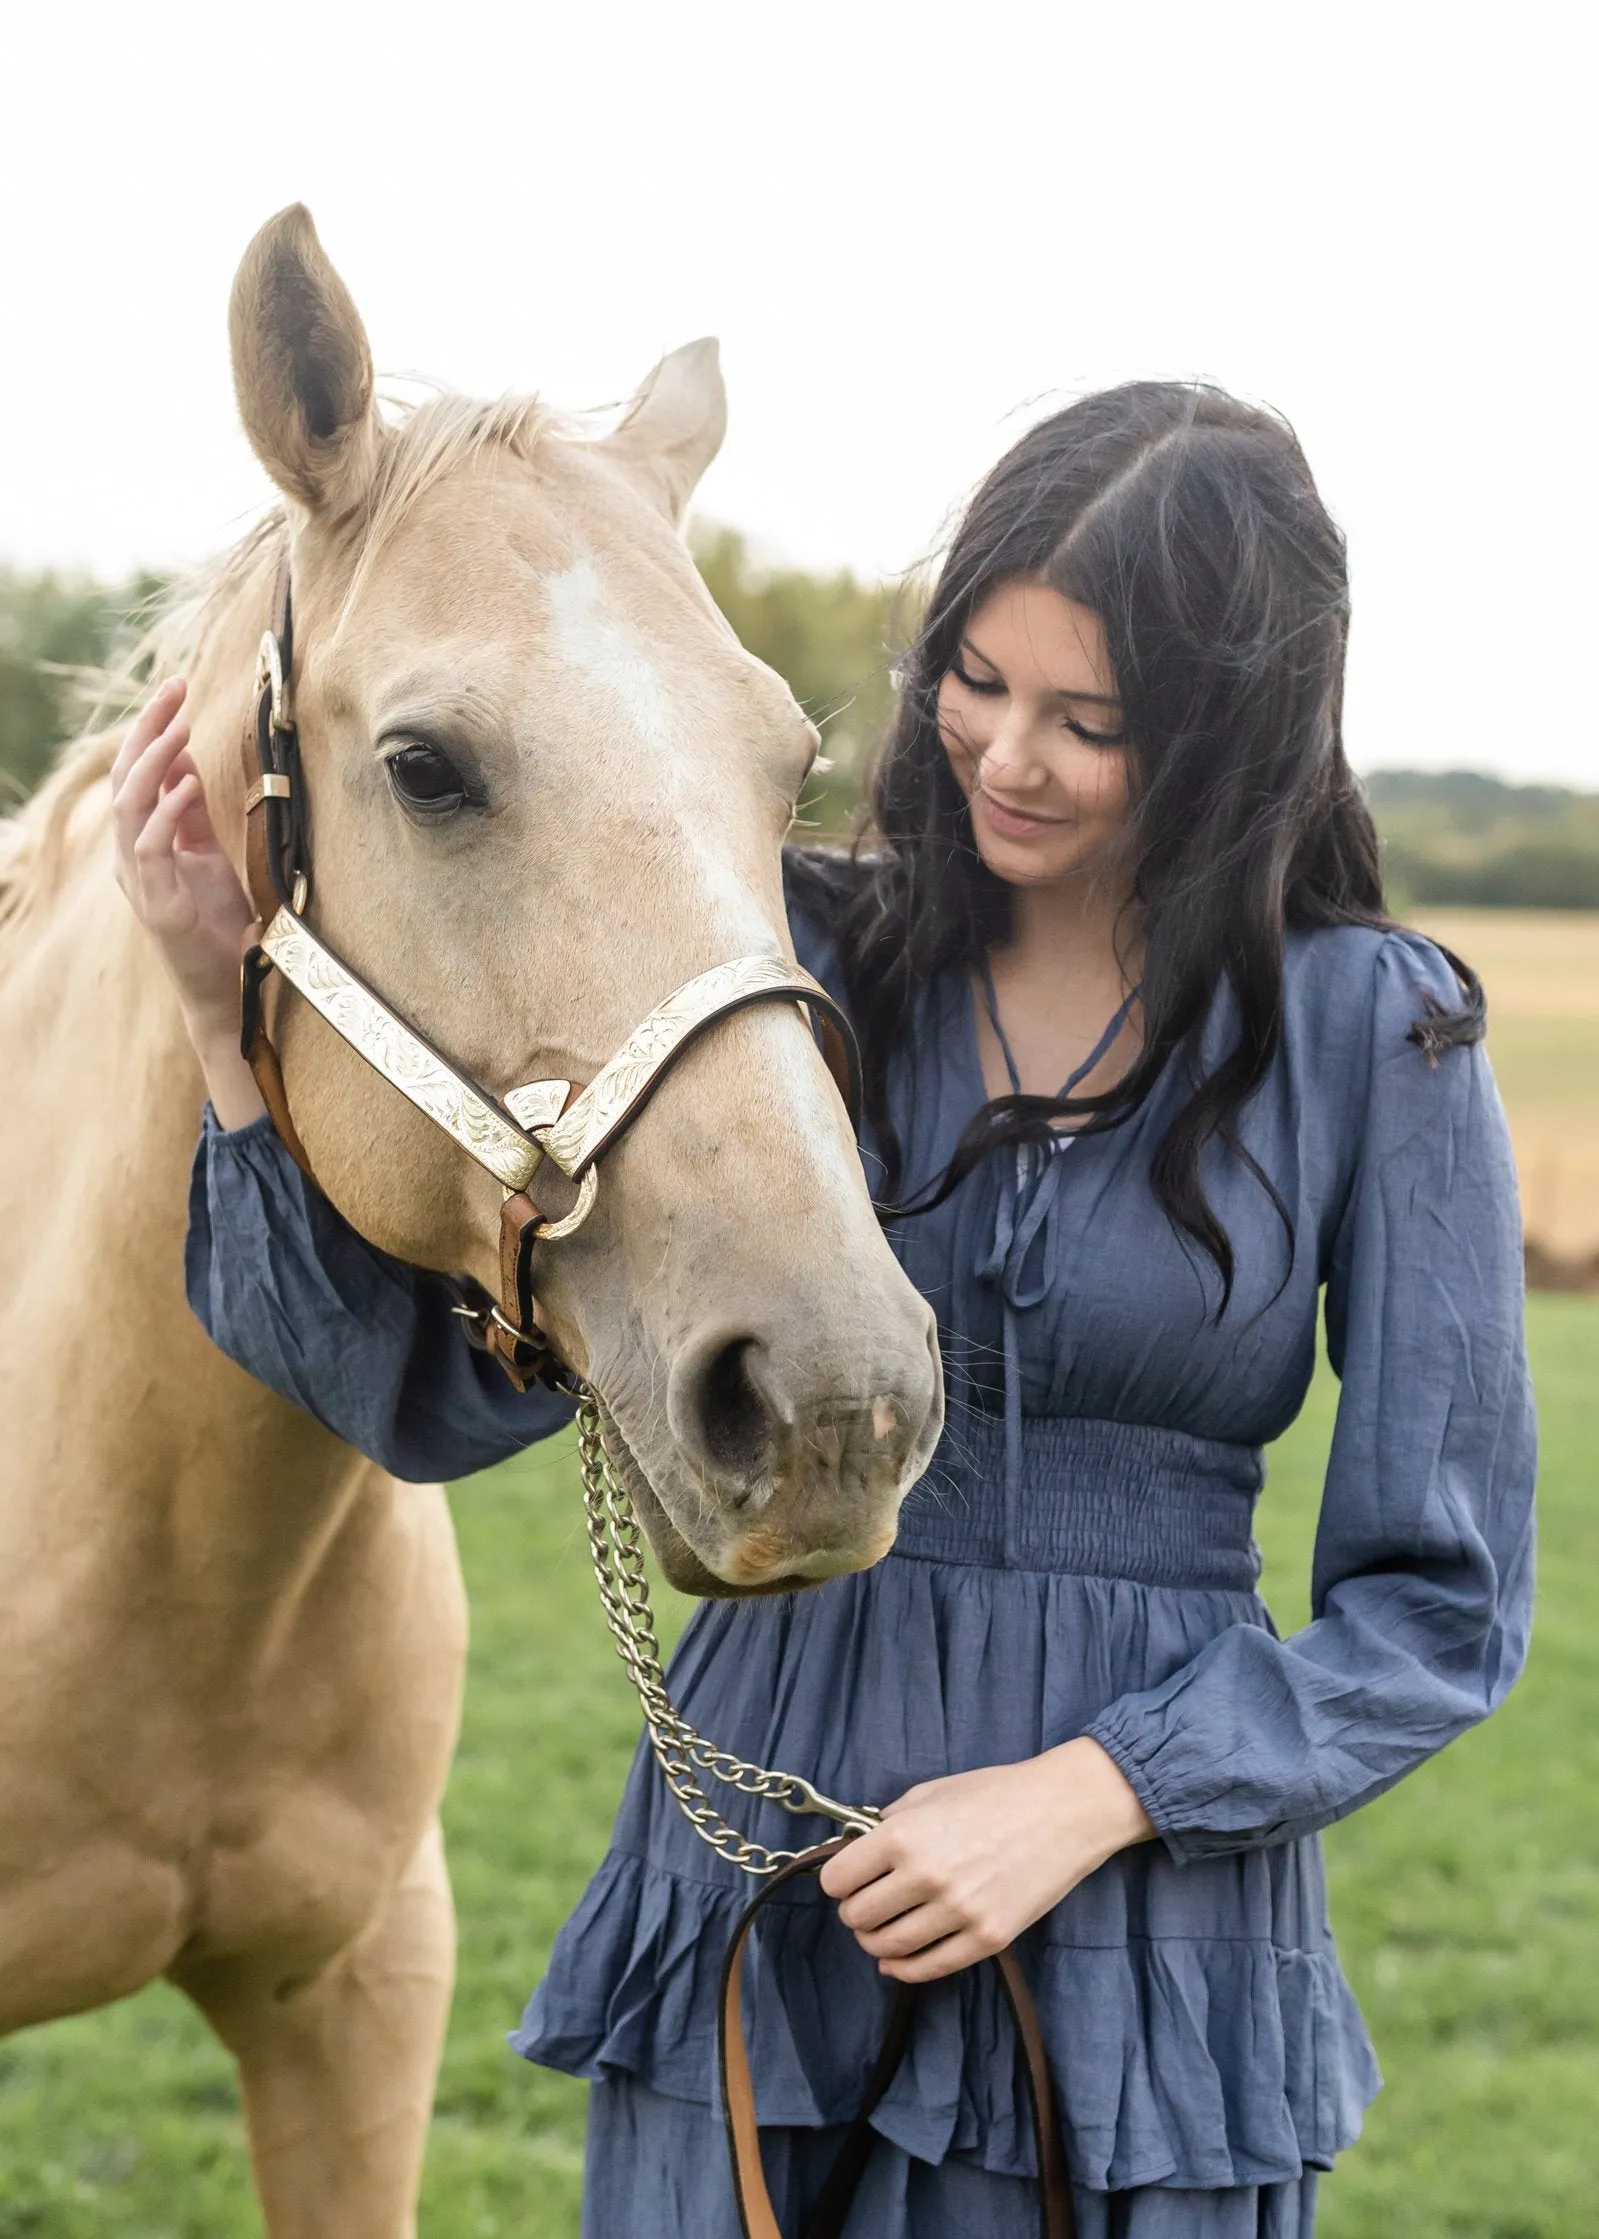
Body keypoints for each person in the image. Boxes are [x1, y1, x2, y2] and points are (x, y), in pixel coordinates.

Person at [114, 381, 1535, 2238]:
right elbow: (427, 1409)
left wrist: (1093, 1795)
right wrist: (230, 1032)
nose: (1004, 754)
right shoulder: (790, 961)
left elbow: (1440, 1606)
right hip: (759, 1902)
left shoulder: (1372, 1033)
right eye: (976, 679)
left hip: (1139, 1927)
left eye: (1087, 721)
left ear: (1223, 736)